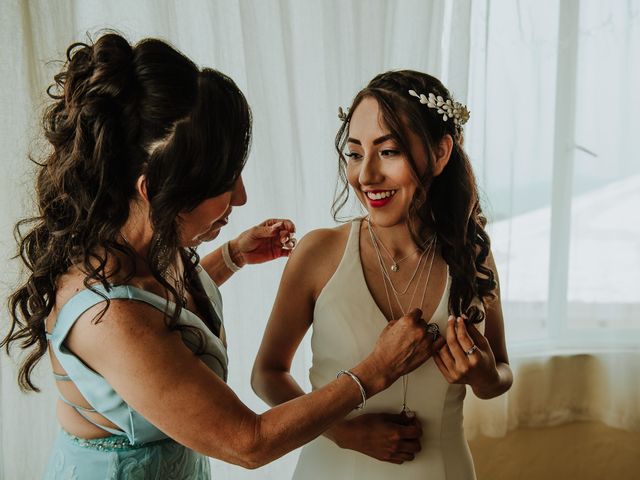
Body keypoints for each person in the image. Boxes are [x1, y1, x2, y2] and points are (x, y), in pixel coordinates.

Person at [1, 36, 442, 479]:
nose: (242, 196)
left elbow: (161, 311)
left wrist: (230, 257)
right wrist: (375, 371)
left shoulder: (142, 248)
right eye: (225, 181)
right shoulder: (108, 316)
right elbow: (248, 442)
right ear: (155, 191)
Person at [252, 70, 513, 479]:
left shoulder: (472, 255)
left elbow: (501, 374)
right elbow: (266, 374)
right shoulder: (319, 253)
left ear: (441, 152)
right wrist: (344, 433)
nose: (366, 175)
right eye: (355, 153)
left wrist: (482, 375)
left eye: (388, 151)